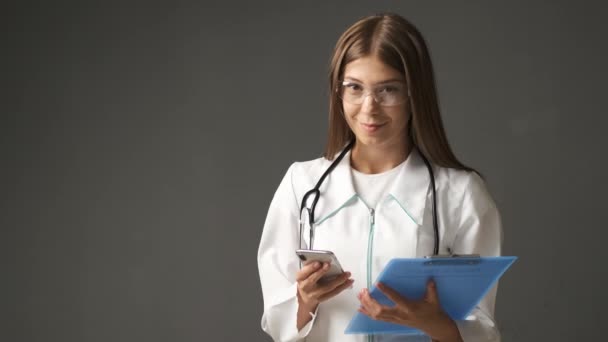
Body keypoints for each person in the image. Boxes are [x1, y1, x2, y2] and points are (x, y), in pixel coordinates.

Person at [257, 13, 503, 342]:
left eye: (388, 89)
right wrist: (305, 300)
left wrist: (437, 324)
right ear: (338, 91)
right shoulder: (301, 186)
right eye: (355, 88)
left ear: (415, 93)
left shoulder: (460, 194)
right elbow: (277, 321)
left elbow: (482, 331)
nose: (369, 107)